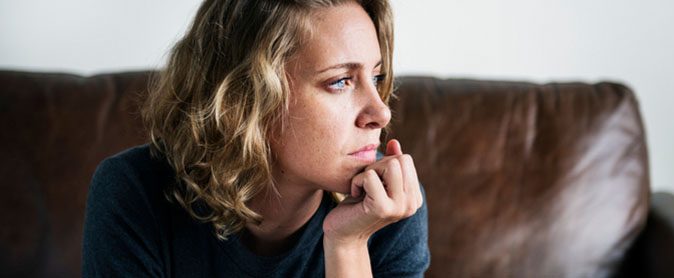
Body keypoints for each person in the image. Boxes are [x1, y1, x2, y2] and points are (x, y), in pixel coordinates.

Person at [82, 0, 429, 277]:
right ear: (248, 98)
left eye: (377, 75)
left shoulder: (389, 208)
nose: (381, 113)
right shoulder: (135, 190)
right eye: (340, 81)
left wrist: (348, 244)